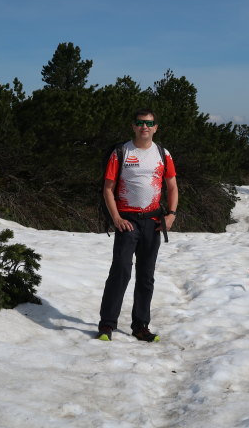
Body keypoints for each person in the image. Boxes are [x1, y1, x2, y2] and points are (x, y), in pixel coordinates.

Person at [97, 109, 178, 342]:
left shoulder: (163, 154)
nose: (145, 126)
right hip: (127, 222)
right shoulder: (121, 151)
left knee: (146, 275)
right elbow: (108, 189)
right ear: (133, 126)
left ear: (156, 127)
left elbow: (172, 186)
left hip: (153, 221)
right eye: (140, 123)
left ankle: (141, 325)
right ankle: (107, 324)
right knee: (120, 271)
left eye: (149, 123)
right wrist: (116, 219)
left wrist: (171, 214)